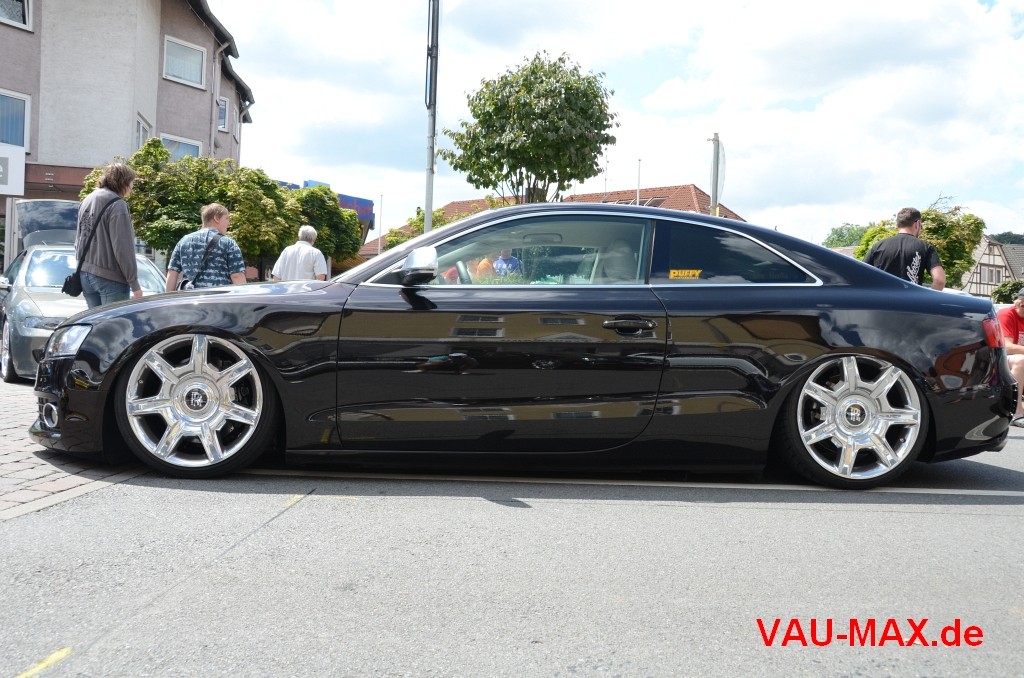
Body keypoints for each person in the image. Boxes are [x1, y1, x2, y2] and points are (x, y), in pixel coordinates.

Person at [76, 162, 144, 308]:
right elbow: (123, 249)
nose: (132, 188)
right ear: (123, 182)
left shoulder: (87, 200)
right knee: (115, 322)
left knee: (96, 322)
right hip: (110, 278)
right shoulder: (117, 204)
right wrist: (135, 284)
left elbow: (79, 240)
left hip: (84, 274)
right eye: (131, 183)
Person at [165, 203, 246, 291]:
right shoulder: (229, 243)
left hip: (189, 297)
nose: (228, 224)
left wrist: (169, 298)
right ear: (216, 218)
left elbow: (172, 273)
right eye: (226, 218)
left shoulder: (184, 241)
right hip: (217, 297)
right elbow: (237, 276)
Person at [863, 207, 946, 290]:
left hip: (882, 297)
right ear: (917, 224)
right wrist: (926, 298)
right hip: (912, 298)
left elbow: (861, 275)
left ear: (897, 225)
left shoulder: (878, 246)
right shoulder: (925, 247)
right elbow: (939, 280)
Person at [997, 289, 1024, 427]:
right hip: (999, 359)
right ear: (1020, 304)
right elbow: (1007, 347)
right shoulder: (1006, 315)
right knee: (1020, 361)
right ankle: (1016, 413)